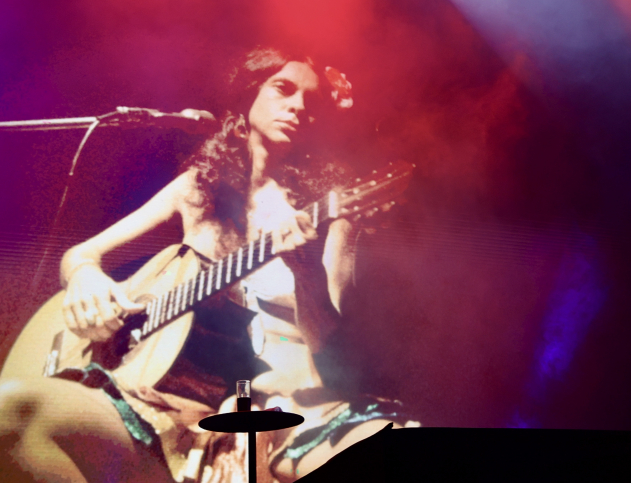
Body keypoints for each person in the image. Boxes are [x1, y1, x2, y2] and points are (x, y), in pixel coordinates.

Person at [0, 46, 409, 483]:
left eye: (312, 101)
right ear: (249, 97)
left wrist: (307, 274)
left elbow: (331, 352)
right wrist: (84, 277)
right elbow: (81, 254)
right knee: (13, 411)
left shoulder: (331, 216)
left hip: (282, 409)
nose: (297, 106)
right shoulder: (198, 189)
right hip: (158, 400)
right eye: (283, 89)